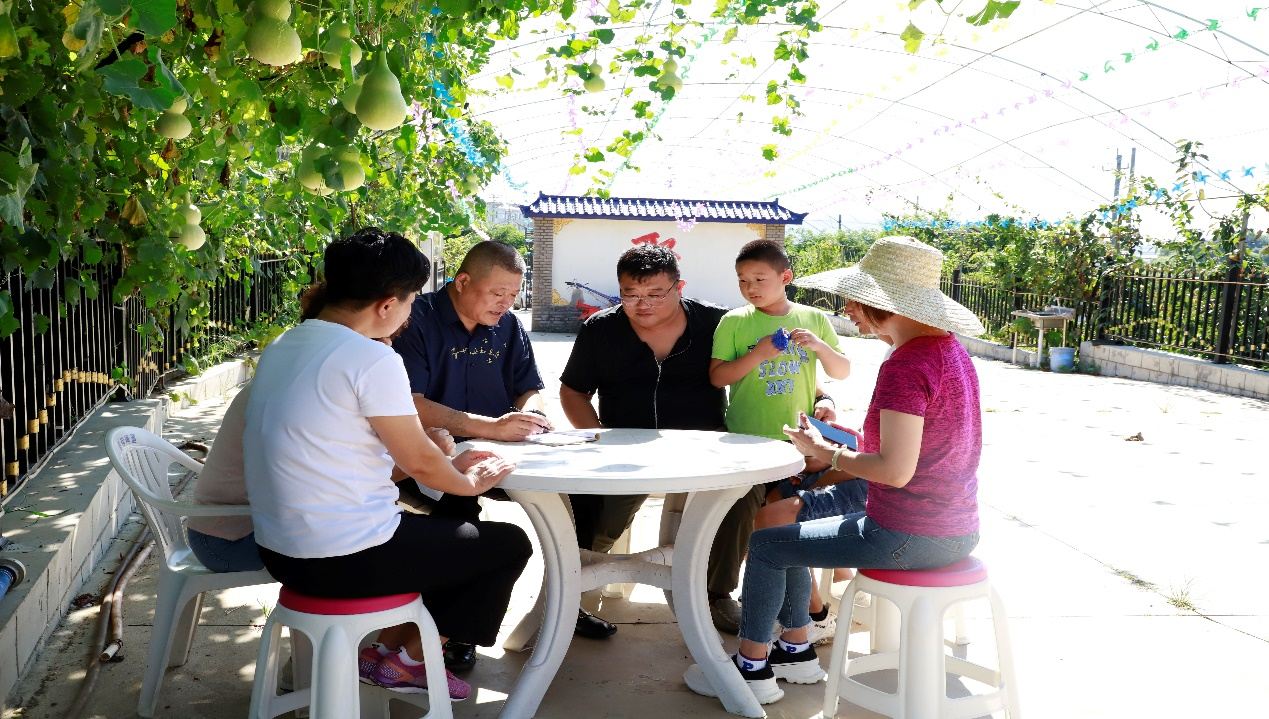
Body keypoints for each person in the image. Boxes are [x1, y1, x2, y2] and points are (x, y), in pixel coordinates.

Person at [684, 235, 987, 706]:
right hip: (955, 527)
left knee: (765, 546)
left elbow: (894, 472)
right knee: (782, 523)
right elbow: (921, 448)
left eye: (856, 299)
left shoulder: (906, 365)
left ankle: (751, 667)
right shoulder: (949, 351)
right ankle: (795, 652)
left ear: (885, 303)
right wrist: (841, 441)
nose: (848, 309)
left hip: (908, 532)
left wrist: (826, 453)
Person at [243, 228, 533, 700]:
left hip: (279, 551)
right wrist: (470, 481)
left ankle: (385, 654)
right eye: (411, 300)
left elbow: (349, 459)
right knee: (507, 545)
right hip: (342, 557)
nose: (410, 313)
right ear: (386, 305)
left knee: (454, 531)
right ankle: (411, 662)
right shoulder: (370, 357)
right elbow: (419, 459)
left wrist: (446, 466)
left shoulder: (284, 346)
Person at [390, 239, 616, 667]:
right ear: (462, 281)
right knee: (461, 514)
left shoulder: (508, 325)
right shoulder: (415, 320)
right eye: (498, 293)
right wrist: (488, 427)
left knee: (586, 490)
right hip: (431, 456)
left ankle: (568, 599)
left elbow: (528, 388)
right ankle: (451, 630)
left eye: (514, 293)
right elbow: (409, 404)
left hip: (506, 450)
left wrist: (534, 416)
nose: (507, 303)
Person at [560, 244, 758, 632]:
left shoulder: (717, 323)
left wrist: (823, 400)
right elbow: (573, 392)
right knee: (587, 503)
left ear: (679, 287)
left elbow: (774, 370)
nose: (642, 304)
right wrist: (600, 442)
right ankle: (574, 584)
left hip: (704, 450)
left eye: (655, 294)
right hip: (625, 452)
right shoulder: (601, 329)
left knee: (742, 491)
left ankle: (716, 593)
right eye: (630, 294)